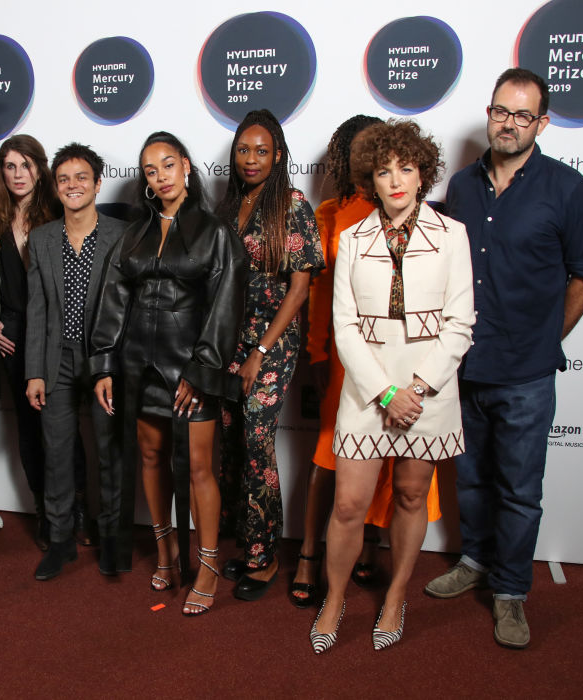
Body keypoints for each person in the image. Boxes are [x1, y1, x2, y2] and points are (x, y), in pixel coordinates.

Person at [425, 68, 583, 649]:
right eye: (501, 111)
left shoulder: (568, 190)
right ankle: (476, 560)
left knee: (520, 491)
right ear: (489, 113)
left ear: (542, 123)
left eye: (523, 115)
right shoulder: (462, 186)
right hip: (467, 367)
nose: (509, 124)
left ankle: (510, 591)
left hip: (527, 372)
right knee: (472, 478)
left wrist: (548, 337)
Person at [309, 119, 474, 653]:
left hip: (427, 393)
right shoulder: (353, 239)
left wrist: (416, 390)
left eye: (406, 168)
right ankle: (334, 600)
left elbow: (460, 324)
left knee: (409, 495)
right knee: (348, 505)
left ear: (423, 173)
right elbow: (344, 327)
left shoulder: (453, 235)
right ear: (371, 180)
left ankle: (397, 595)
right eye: (384, 171)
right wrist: (385, 392)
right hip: (368, 391)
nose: (396, 180)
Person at [89, 131, 246, 615]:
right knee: (151, 456)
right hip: (139, 366)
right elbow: (113, 300)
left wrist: (201, 370)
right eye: (150, 170)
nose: (161, 176)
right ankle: (166, 550)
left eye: (168, 165)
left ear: (186, 167)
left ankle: (209, 563)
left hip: (190, 368)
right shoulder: (133, 233)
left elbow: (225, 306)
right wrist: (104, 364)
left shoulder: (214, 232)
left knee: (198, 467)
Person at [292, 116, 444, 608]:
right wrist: (317, 350)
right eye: (371, 157)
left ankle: (370, 550)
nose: (387, 171)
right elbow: (319, 290)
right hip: (347, 358)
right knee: (331, 458)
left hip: (408, 361)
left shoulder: (426, 220)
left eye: (397, 163)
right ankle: (309, 555)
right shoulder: (332, 213)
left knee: (393, 463)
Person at [216, 109, 324, 602]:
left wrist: (260, 351)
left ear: (278, 155)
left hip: (272, 341)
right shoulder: (230, 205)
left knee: (257, 441)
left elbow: (299, 289)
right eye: (244, 150)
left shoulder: (292, 204)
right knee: (233, 440)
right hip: (229, 339)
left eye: (262, 151)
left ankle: (265, 557)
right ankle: (248, 542)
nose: (251, 159)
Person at [24, 143, 125, 579]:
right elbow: (37, 309)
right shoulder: (42, 239)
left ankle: (112, 540)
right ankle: (61, 540)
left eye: (81, 177)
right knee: (57, 453)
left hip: (106, 360)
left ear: (98, 183)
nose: (72, 185)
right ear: (55, 187)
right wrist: (34, 371)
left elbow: (128, 307)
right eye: (63, 179)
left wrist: (114, 365)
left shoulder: (122, 234)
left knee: (109, 452)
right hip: (57, 360)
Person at [0, 135, 62, 551]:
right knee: (31, 429)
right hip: (13, 335)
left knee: (61, 425)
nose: (18, 174)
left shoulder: (59, 212)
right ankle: (45, 512)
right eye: (10, 166)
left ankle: (73, 509)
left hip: (55, 331)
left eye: (26, 165)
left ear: (40, 168)